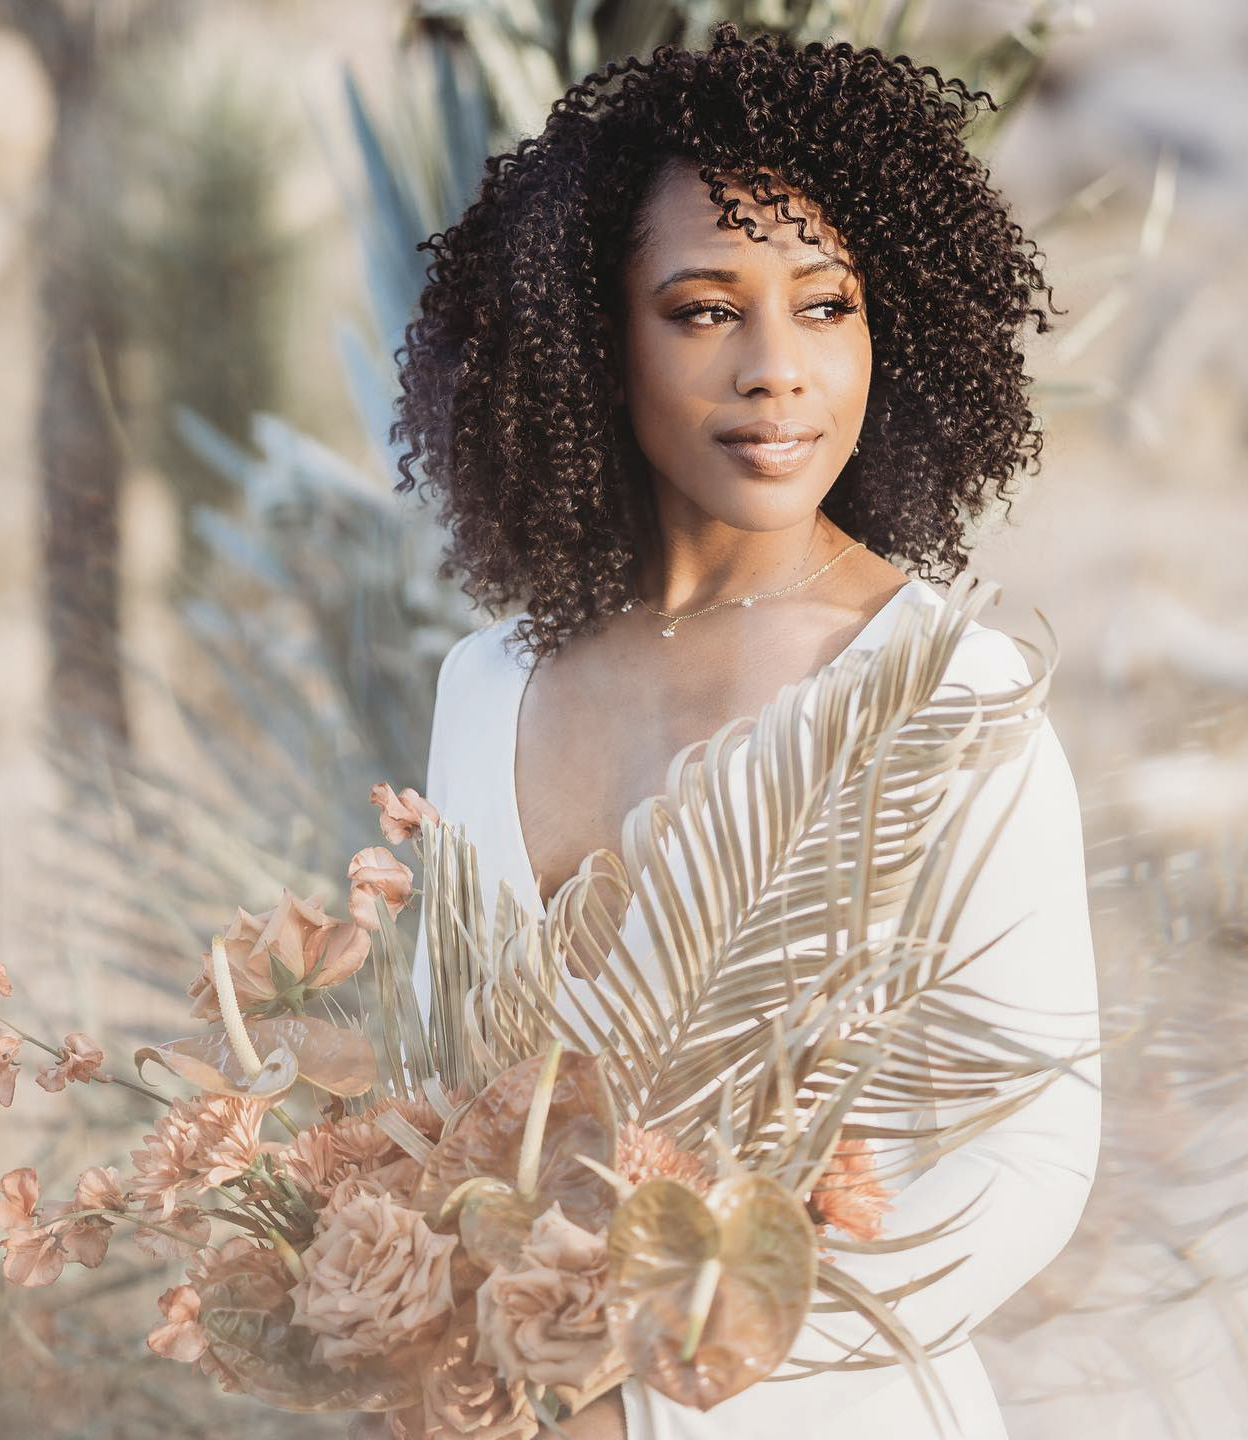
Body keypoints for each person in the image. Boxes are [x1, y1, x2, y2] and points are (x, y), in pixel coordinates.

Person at [393, 23, 1100, 1440]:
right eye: (706, 308)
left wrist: (656, 1386)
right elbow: (445, 1106)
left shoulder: (949, 696)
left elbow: (1032, 1160)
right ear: (597, 331)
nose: (778, 369)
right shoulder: (485, 688)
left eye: (826, 305)